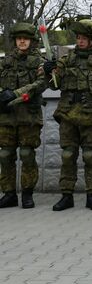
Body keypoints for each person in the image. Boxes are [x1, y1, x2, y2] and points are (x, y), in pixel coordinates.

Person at [48, 19, 92, 211]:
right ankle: (66, 195)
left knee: (89, 156)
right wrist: (49, 72)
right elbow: (53, 85)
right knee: (68, 155)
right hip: (68, 114)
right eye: (78, 37)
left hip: (91, 115)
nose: (80, 41)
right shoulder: (67, 59)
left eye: (84, 38)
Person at [0, 22, 48, 209]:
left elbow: (41, 84)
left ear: (32, 41)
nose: (22, 41)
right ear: (14, 41)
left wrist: (16, 93)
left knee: (27, 154)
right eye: (19, 38)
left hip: (29, 116)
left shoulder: (39, 62)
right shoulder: (5, 62)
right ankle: (9, 193)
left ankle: (27, 194)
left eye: (25, 39)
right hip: (7, 116)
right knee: (5, 155)